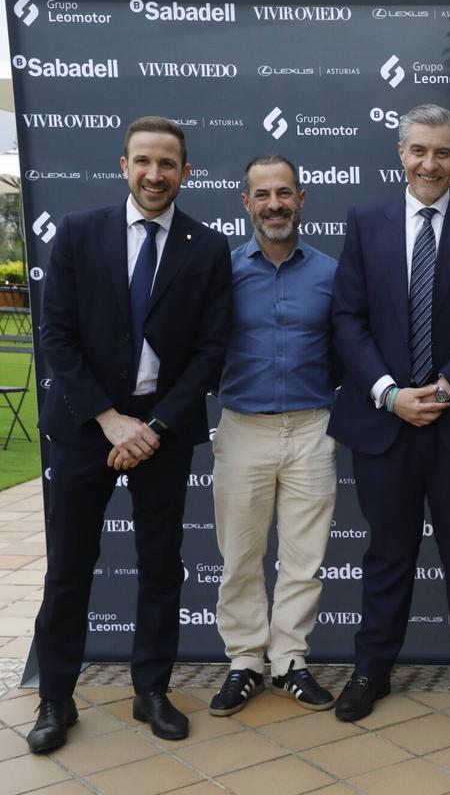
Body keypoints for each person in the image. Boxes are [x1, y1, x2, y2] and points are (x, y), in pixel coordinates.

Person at [30, 116, 232, 752]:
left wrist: (155, 425)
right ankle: (55, 698)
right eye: (143, 161)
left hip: (162, 430)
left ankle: (152, 690)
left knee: (161, 566)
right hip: (86, 427)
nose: (154, 174)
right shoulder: (78, 233)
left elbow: (211, 351)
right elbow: (56, 333)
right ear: (124, 165)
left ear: (185, 172)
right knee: (68, 566)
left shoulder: (208, 247)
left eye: (167, 163)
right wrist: (108, 419)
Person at [328, 104, 450, 721]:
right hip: (384, 424)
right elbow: (347, 319)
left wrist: (444, 388)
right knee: (387, 555)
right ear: (401, 154)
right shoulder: (366, 222)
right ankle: (371, 671)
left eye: (441, 152)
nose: (429, 164)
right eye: (419, 150)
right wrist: (390, 393)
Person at [207, 154, 338, 717]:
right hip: (243, 428)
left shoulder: (331, 273)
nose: (274, 205)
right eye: (262, 195)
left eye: (284, 193)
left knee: (304, 559)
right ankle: (244, 662)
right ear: (246, 203)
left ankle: (288, 660)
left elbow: (348, 347)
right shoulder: (221, 272)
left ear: (301, 199)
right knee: (240, 556)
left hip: (312, 428)